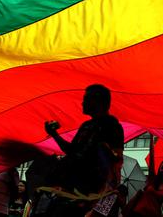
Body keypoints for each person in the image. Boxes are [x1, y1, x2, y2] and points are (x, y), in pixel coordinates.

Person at [41, 84, 124, 216]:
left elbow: (116, 162)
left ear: (98, 102)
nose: (82, 102)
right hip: (71, 189)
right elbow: (71, 150)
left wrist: (100, 203)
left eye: (86, 98)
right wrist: (54, 134)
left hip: (90, 195)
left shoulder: (112, 126)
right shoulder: (86, 125)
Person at [123, 135, 163, 217]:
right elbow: (151, 160)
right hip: (137, 213)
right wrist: (151, 138)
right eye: (162, 168)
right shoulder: (153, 180)